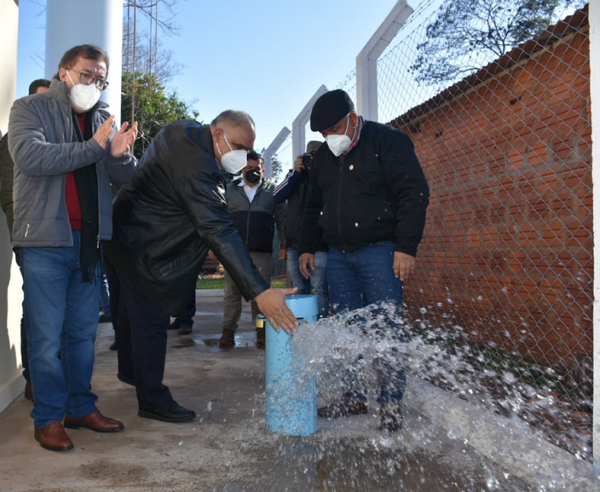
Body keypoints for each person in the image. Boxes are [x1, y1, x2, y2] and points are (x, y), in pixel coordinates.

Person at [105, 110, 298, 424]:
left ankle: (131, 372)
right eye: (238, 146)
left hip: (122, 233)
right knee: (150, 320)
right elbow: (219, 229)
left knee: (128, 312)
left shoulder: (181, 130)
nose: (242, 156)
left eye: (247, 151)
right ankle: (152, 398)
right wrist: (260, 292)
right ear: (218, 134)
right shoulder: (200, 166)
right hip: (146, 246)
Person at [8, 44, 138, 452]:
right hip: (45, 242)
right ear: (64, 72)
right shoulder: (29, 108)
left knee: (83, 336)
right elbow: (30, 156)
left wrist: (119, 155)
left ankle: (80, 406)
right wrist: (95, 147)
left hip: (89, 242)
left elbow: (122, 176)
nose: (93, 84)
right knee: (46, 340)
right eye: (86, 75)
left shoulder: (101, 119)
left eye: (100, 78)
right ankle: (48, 417)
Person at [299, 89, 430, 431]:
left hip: (381, 251)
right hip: (339, 256)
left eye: (334, 130)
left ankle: (390, 404)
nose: (330, 139)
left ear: (354, 119)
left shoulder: (388, 142)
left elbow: (413, 192)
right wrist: (309, 246)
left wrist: (406, 246)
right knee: (345, 329)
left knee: (386, 327)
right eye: (324, 134)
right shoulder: (326, 157)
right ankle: (352, 396)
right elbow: (314, 203)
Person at [0, 79, 51, 402]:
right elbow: (10, 195)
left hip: (58, 236)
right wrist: (27, 231)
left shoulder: (54, 137)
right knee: (34, 307)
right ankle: (34, 377)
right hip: (31, 236)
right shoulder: (14, 140)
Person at [219, 150, 287, 348]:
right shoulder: (228, 190)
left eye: (256, 169)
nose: (253, 172)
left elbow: (283, 221)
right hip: (234, 251)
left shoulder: (273, 191)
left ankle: (262, 332)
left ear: (263, 169)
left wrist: (284, 245)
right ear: (242, 169)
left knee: (261, 293)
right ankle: (228, 331)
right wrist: (216, 246)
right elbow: (219, 220)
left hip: (261, 251)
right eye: (249, 168)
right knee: (232, 292)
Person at [274, 141, 329, 319]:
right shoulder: (295, 177)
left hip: (318, 242)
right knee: (297, 289)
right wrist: (295, 173)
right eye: (309, 156)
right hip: (295, 242)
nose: (311, 160)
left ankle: (319, 326)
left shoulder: (328, 174)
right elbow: (277, 196)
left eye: (316, 155)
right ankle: (300, 326)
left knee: (318, 288)